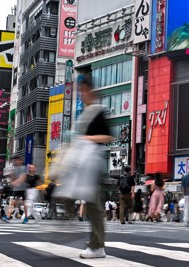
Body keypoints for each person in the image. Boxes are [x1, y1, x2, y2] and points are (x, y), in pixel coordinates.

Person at [74, 78, 113, 259]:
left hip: (94, 164)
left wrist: (86, 139)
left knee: (94, 204)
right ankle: (96, 244)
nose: (81, 94)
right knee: (90, 203)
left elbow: (107, 137)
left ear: (91, 91)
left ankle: (97, 245)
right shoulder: (86, 113)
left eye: (83, 90)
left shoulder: (97, 112)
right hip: (85, 163)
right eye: (80, 91)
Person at [3, 155, 27, 222]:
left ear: (20, 161)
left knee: (24, 203)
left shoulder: (23, 168)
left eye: (16, 160)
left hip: (23, 189)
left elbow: (22, 178)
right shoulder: (14, 169)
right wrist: (11, 182)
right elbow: (12, 178)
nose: (15, 162)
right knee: (12, 202)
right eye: (14, 161)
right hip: (16, 189)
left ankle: (26, 217)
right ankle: (8, 216)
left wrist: (13, 183)